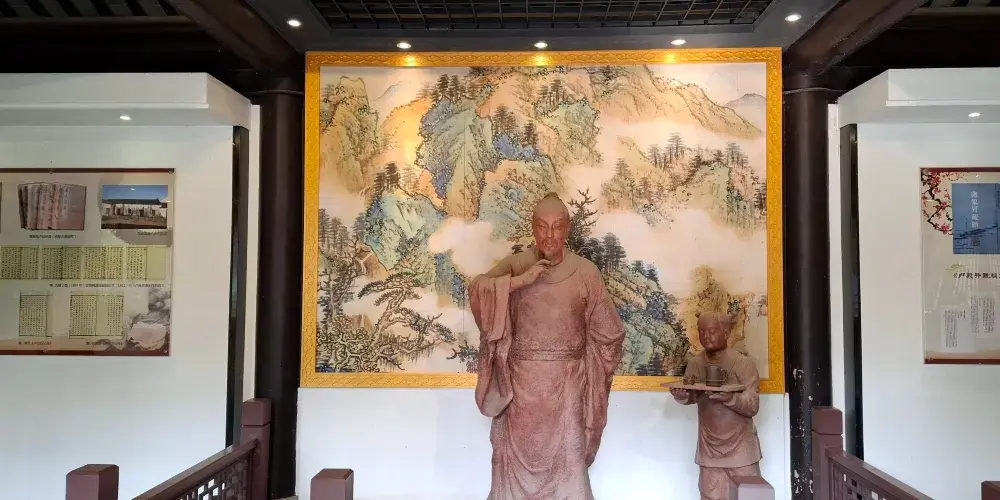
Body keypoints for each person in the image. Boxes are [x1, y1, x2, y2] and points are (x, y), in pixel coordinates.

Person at [469, 193, 626, 500]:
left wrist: (593, 369)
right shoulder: (515, 265)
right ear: (533, 228)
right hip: (520, 386)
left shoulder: (586, 272)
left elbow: (610, 332)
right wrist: (519, 281)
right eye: (542, 226)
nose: (549, 235)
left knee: (569, 459)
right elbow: (478, 290)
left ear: (567, 228)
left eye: (557, 226)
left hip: (567, 386)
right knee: (511, 465)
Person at [670, 312, 762, 500]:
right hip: (709, 446)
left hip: (741, 447)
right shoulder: (695, 363)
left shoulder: (744, 364)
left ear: (726, 333)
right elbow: (693, 394)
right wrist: (683, 397)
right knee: (709, 495)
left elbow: (752, 406)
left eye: (711, 332)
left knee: (750, 495)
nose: (706, 336)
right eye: (702, 332)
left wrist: (731, 399)